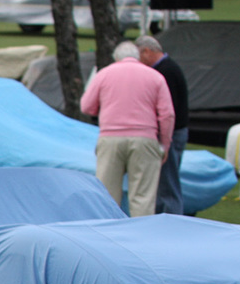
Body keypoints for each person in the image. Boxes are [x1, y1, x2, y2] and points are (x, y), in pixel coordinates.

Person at [80, 41, 174, 218]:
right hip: (145, 138)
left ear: (116, 58)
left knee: (106, 194)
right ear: (138, 57)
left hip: (111, 138)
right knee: (143, 196)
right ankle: (141, 238)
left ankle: (107, 234)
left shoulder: (104, 74)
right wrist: (165, 144)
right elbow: (167, 114)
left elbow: (86, 107)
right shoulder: (155, 76)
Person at [135, 35, 190, 215]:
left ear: (147, 52)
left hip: (171, 133)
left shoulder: (165, 72)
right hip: (174, 131)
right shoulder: (169, 68)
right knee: (163, 181)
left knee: (168, 182)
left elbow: (167, 110)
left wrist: (162, 137)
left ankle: (172, 218)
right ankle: (163, 216)